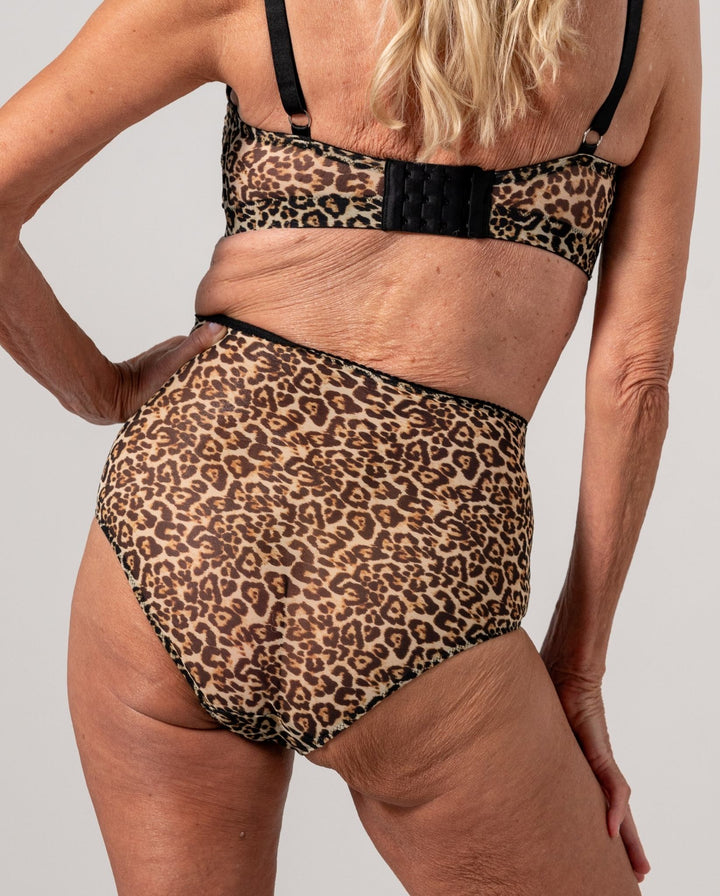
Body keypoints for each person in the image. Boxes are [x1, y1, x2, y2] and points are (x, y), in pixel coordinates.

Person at [0, 0, 700, 892]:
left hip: (182, 523)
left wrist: (102, 392)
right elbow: (636, 378)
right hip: (418, 566)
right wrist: (578, 666)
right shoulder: (649, 19)